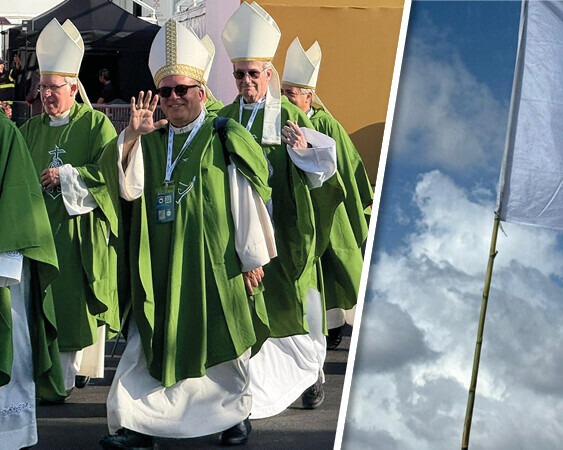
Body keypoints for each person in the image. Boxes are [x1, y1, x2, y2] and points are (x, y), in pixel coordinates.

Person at [100, 19, 277, 449]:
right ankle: (138, 425)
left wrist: (252, 258)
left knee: (223, 340)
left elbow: (245, 199)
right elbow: (128, 187)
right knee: (149, 343)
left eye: (182, 90)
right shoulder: (152, 139)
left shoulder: (222, 136)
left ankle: (234, 415)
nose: (174, 98)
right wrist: (129, 139)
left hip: (213, 262)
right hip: (159, 263)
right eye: (166, 92)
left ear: (201, 91)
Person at [219, 1, 338, 418]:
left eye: (254, 73)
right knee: (249, 313)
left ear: (269, 74)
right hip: (240, 234)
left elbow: (324, 171)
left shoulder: (287, 113)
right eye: (239, 74)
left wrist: (304, 152)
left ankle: (311, 373)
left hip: (285, 231)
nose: (246, 80)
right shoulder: (223, 117)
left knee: (293, 308)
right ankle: (252, 393)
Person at [18, 19, 120, 398]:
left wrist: (68, 176)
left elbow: (111, 177)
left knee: (71, 306)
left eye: (53, 87)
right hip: (39, 236)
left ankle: (62, 380)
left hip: (78, 237)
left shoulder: (97, 126)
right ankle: (45, 378)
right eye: (42, 87)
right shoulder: (29, 130)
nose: (46, 94)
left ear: (74, 88)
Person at [282, 38, 374, 351]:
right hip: (294, 210)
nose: (285, 100)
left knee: (331, 265)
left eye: (290, 94)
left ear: (308, 96)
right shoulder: (279, 122)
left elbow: (349, 167)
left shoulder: (324, 124)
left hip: (327, 210)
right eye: (282, 93)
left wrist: (358, 199)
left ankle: (333, 325)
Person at [0, 112, 67, 450]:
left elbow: (17, 194)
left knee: (11, 346)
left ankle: (10, 432)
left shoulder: (4, 131)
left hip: (2, 262)